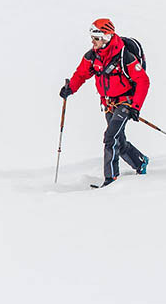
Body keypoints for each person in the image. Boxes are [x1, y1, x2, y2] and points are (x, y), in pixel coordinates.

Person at [59, 18, 150, 187]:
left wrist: (135, 107)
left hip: (125, 102)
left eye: (96, 37)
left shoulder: (125, 56)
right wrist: (70, 88)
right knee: (118, 140)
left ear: (106, 37)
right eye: (92, 37)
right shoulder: (93, 56)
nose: (92, 41)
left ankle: (111, 179)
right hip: (108, 103)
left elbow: (143, 81)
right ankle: (140, 161)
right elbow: (81, 74)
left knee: (110, 137)